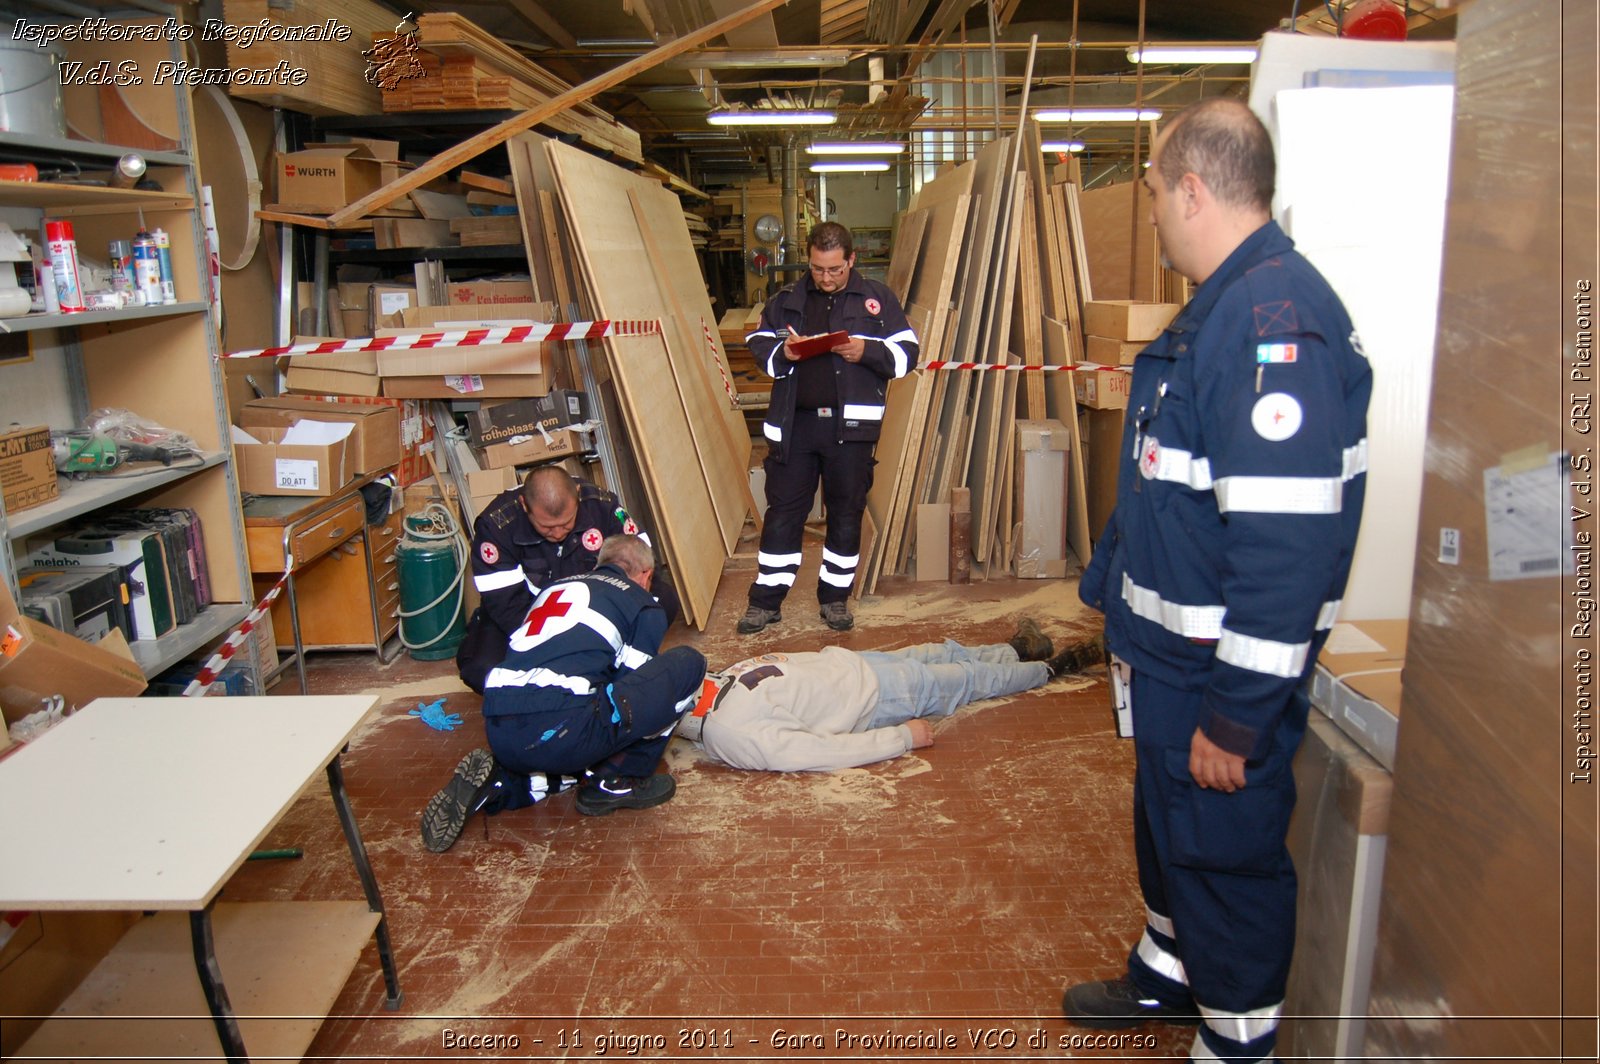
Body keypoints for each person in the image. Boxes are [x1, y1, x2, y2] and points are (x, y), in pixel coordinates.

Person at [1063, 98, 1372, 1063]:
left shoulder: (1273, 325)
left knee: (1221, 859)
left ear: (1194, 190)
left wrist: (1236, 719)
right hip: (1167, 663)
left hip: (1212, 678)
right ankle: (1168, 973)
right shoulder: (1222, 306)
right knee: (1168, 835)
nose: (1151, 208)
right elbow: (1171, 479)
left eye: (1154, 190)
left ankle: (1236, 1042)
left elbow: (1287, 549)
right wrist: (1109, 587)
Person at [423, 535, 706, 852]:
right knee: (687, 665)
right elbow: (631, 690)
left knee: (563, 736)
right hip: (562, 727)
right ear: (646, 575)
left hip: (500, 727)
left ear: (600, 565)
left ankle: (500, 785)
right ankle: (616, 782)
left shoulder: (552, 590)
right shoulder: (643, 606)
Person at [738, 221, 919, 635]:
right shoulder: (787, 299)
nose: (826, 278)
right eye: (818, 269)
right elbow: (759, 345)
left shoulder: (876, 299)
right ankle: (766, 601)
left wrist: (867, 350)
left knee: (845, 514)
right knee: (783, 515)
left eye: (835, 269)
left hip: (850, 432)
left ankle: (835, 598)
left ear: (851, 260)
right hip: (795, 429)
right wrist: (782, 351)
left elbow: (908, 353)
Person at [677, 620, 1101, 773]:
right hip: (875, 700)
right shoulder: (730, 732)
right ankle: (1054, 667)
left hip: (854, 666)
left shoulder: (706, 683)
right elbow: (813, 753)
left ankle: (1019, 651)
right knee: (965, 681)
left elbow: (785, 661)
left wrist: (834, 655)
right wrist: (900, 739)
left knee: (940, 653)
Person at [456, 466, 679, 694]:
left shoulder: (602, 505)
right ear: (525, 505)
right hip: (530, 615)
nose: (558, 533)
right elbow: (505, 603)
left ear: (578, 495)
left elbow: (640, 558)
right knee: (482, 669)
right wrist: (559, 645)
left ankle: (614, 666)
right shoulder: (496, 527)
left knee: (663, 600)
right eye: (546, 527)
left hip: (597, 606)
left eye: (567, 523)